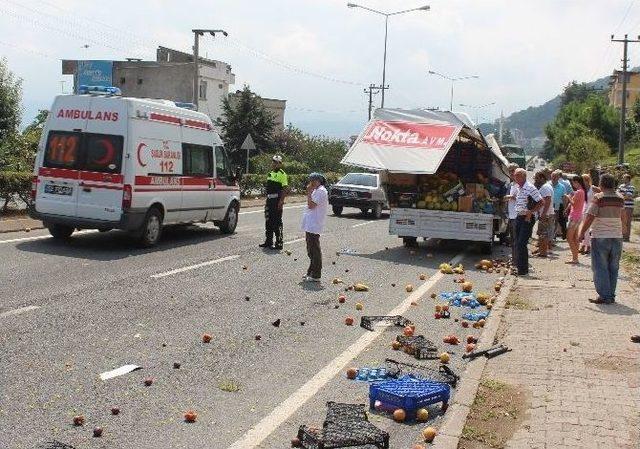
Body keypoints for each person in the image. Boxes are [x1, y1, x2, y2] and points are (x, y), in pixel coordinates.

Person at [578, 173, 624, 304]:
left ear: (601, 184)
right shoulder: (620, 198)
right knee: (613, 267)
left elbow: (590, 216)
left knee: (600, 267)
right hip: (617, 236)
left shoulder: (599, 198)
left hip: (601, 236)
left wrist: (581, 232)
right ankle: (610, 295)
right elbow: (623, 217)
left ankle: (604, 296)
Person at [512, 168, 543, 275]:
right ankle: (520, 267)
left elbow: (541, 202)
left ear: (524, 176)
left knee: (521, 243)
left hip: (527, 218)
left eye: (518, 175)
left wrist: (531, 212)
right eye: (515, 176)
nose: (515, 178)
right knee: (517, 243)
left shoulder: (530, 187)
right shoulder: (518, 187)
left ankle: (523, 270)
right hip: (519, 216)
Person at [301, 173, 329, 282]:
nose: (311, 183)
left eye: (313, 180)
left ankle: (316, 275)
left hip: (315, 224)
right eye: (310, 180)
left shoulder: (321, 191)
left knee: (314, 249)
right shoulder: (317, 190)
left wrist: (308, 193)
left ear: (318, 181)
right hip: (311, 223)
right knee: (310, 249)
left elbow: (311, 205)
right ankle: (311, 271)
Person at [259, 155, 288, 250]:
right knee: (268, 221)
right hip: (269, 200)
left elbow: (284, 189)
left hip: (276, 200)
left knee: (277, 222)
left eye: (276, 162)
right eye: (273, 162)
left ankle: (279, 243)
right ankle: (268, 241)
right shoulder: (270, 173)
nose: (274, 164)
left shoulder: (282, 174)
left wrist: (281, 201)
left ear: (280, 164)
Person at [564, 175, 588, 264]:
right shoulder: (582, 191)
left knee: (569, 238)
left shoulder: (579, 192)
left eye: (573, 183)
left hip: (575, 217)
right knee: (574, 238)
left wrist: (568, 197)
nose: (573, 184)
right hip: (578, 216)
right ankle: (575, 257)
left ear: (577, 182)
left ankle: (575, 257)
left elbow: (574, 204)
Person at [533, 171, 553, 257]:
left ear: (542, 178)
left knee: (543, 234)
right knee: (542, 233)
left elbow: (547, 200)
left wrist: (543, 214)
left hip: (545, 214)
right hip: (545, 214)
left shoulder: (545, 187)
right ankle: (541, 250)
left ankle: (543, 253)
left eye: (537, 178)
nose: (535, 180)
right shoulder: (546, 186)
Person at [502, 163, 520, 260]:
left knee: (517, 240)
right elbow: (506, 198)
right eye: (510, 171)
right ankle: (514, 260)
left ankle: (517, 261)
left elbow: (523, 198)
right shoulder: (511, 184)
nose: (512, 173)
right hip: (511, 215)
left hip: (518, 215)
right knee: (513, 239)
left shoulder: (521, 185)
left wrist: (511, 197)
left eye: (513, 171)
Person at [579, 173, 597, 254]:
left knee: (589, 228)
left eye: (583, 180)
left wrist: (597, 202)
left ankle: (587, 246)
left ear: (587, 180)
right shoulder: (582, 189)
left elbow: (602, 193)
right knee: (584, 228)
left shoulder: (593, 188)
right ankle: (585, 245)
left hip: (592, 209)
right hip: (583, 209)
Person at [617, 174, 637, 241]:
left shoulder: (632, 187)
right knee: (621, 221)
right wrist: (625, 195)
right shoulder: (621, 186)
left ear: (628, 179)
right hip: (622, 206)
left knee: (628, 222)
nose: (623, 179)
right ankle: (621, 236)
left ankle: (627, 237)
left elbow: (630, 196)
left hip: (629, 206)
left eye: (624, 178)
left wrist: (623, 195)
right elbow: (618, 194)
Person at [551, 170, 567, 241]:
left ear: (558, 178)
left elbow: (564, 198)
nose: (554, 178)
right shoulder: (547, 185)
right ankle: (550, 237)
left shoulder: (562, 187)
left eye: (555, 176)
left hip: (557, 205)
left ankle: (553, 236)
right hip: (549, 206)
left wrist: (565, 208)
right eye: (553, 176)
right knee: (549, 221)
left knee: (555, 221)